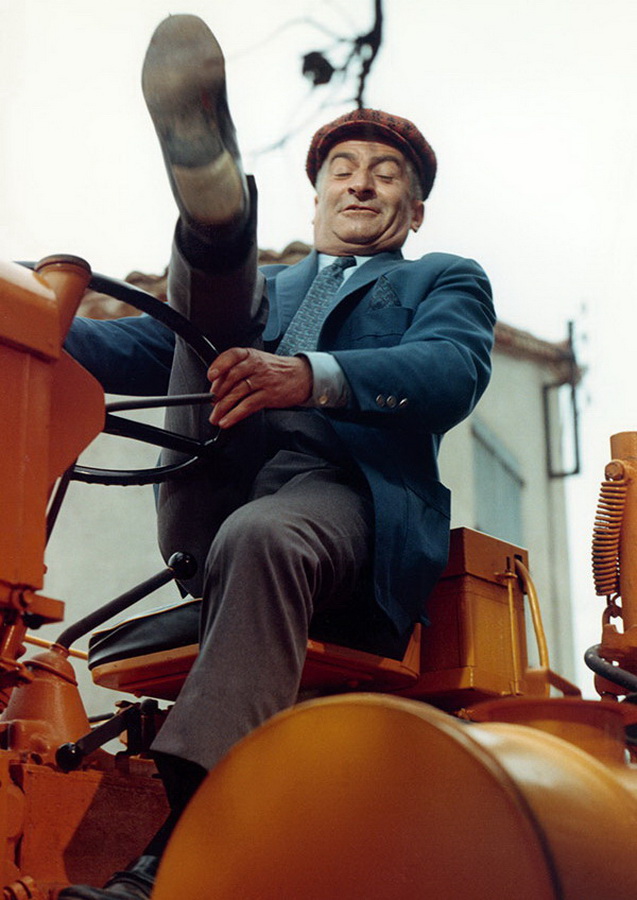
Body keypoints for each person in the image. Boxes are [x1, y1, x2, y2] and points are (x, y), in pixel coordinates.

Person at [60, 14, 495, 900]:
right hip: (210, 486)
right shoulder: (272, 289)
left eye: (386, 175)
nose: (360, 183)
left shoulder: (438, 279)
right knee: (206, 322)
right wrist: (28, 307)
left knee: (264, 533)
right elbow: (122, 354)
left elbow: (450, 370)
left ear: (413, 211)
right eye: (343, 169)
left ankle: (182, 842)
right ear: (316, 198)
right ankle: (213, 217)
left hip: (336, 499)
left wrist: (310, 377)